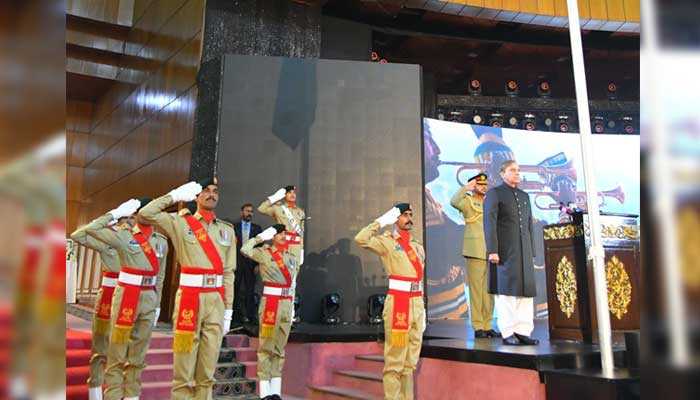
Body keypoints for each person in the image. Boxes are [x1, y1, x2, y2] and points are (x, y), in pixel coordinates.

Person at [139, 177, 236, 399]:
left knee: (208, 371)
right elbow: (146, 214)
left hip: (216, 300)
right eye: (206, 191)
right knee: (183, 372)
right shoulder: (181, 223)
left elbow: (229, 272)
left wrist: (228, 310)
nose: (211, 194)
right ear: (196, 196)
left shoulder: (227, 231)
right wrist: (174, 196)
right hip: (190, 299)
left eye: (215, 191)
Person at [82, 197, 169, 399]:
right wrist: (115, 213)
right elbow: (90, 230)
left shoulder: (161, 242)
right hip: (127, 296)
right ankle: (111, 395)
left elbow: (161, 276)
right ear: (138, 213)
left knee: (138, 355)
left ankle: (131, 395)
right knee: (117, 354)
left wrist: (157, 306)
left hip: (149, 298)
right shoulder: (123, 236)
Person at [355, 203, 426, 400]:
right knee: (395, 361)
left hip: (416, 303)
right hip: (399, 305)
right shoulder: (386, 242)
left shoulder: (417, 245)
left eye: (411, 214)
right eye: (404, 215)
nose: (409, 218)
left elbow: (418, 278)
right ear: (396, 218)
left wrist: (422, 307)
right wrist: (381, 221)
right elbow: (360, 239)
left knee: (410, 363)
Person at [483, 160, 539, 346]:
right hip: (505, 250)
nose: (517, 173)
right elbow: (489, 223)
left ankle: (523, 331)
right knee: (506, 291)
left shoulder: (524, 196)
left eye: (518, 170)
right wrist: (492, 250)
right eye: (513, 170)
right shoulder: (495, 193)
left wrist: (531, 249)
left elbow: (529, 224)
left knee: (525, 291)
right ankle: (508, 331)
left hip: (523, 249)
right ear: (502, 173)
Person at [241, 224, 297, 399]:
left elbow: (293, 282)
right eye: (278, 233)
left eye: (284, 233)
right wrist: (260, 237)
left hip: (286, 303)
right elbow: (245, 249)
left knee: (280, 348)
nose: (282, 236)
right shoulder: (265, 252)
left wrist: (292, 305)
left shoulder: (291, 257)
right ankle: (265, 392)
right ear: (273, 236)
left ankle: (275, 391)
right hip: (270, 304)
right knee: (266, 347)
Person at [70, 218, 123, 400]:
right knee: (101, 348)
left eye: (133, 219)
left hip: (129, 297)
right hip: (109, 294)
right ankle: (95, 393)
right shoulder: (107, 241)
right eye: (126, 219)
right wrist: (109, 216)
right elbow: (78, 235)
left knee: (122, 350)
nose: (129, 224)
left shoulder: (138, 242)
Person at [450, 172, 499, 339]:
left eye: (485, 184)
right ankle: (478, 326)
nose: (483, 187)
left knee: (489, 291)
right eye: (479, 184)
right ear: (473, 186)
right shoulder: (468, 202)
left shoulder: (491, 203)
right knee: (477, 291)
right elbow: (454, 201)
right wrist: (466, 188)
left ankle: (488, 324)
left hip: (491, 251)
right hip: (475, 251)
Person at [258, 185, 305, 266]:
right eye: (289, 192)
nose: (293, 195)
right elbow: (261, 209)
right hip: (282, 243)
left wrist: (301, 250)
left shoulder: (300, 211)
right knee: (281, 272)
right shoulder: (278, 208)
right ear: (284, 195)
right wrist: (275, 197)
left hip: (296, 246)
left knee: (294, 274)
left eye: (294, 193)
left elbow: (301, 233)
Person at [233, 203, 262, 323]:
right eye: (247, 211)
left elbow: (259, 248)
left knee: (250, 290)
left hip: (250, 263)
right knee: (235, 289)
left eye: (251, 211)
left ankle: (250, 315)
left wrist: (257, 265)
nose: (249, 213)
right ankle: (234, 315)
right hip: (237, 262)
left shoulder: (257, 229)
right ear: (242, 212)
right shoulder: (234, 227)